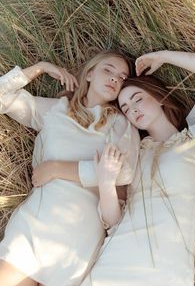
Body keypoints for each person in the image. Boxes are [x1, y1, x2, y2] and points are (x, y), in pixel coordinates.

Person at [81, 50, 195, 286]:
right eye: (125, 108)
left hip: (165, 270)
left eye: (138, 99)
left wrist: (162, 57)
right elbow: (113, 222)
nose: (132, 109)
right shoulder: (134, 153)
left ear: (159, 96)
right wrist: (106, 182)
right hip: (112, 263)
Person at [0, 51, 140, 286]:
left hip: (78, 233)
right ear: (90, 73)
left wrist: (58, 168)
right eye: (108, 70)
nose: (115, 79)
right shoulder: (55, 110)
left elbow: (124, 171)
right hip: (35, 221)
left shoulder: (120, 122)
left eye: (122, 78)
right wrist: (41, 66)